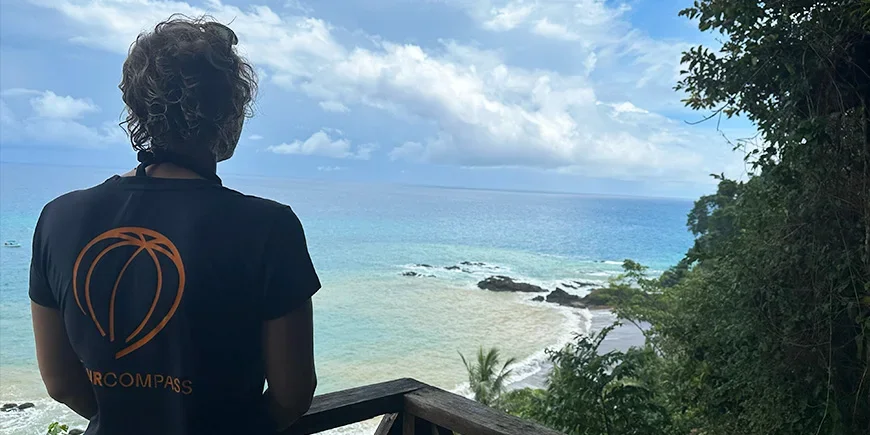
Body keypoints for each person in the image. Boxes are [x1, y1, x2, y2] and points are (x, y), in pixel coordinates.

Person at [29, 15, 320, 435]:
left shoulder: (58, 218)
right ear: (230, 113)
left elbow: (59, 383)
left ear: (136, 110)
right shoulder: (269, 228)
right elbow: (292, 394)